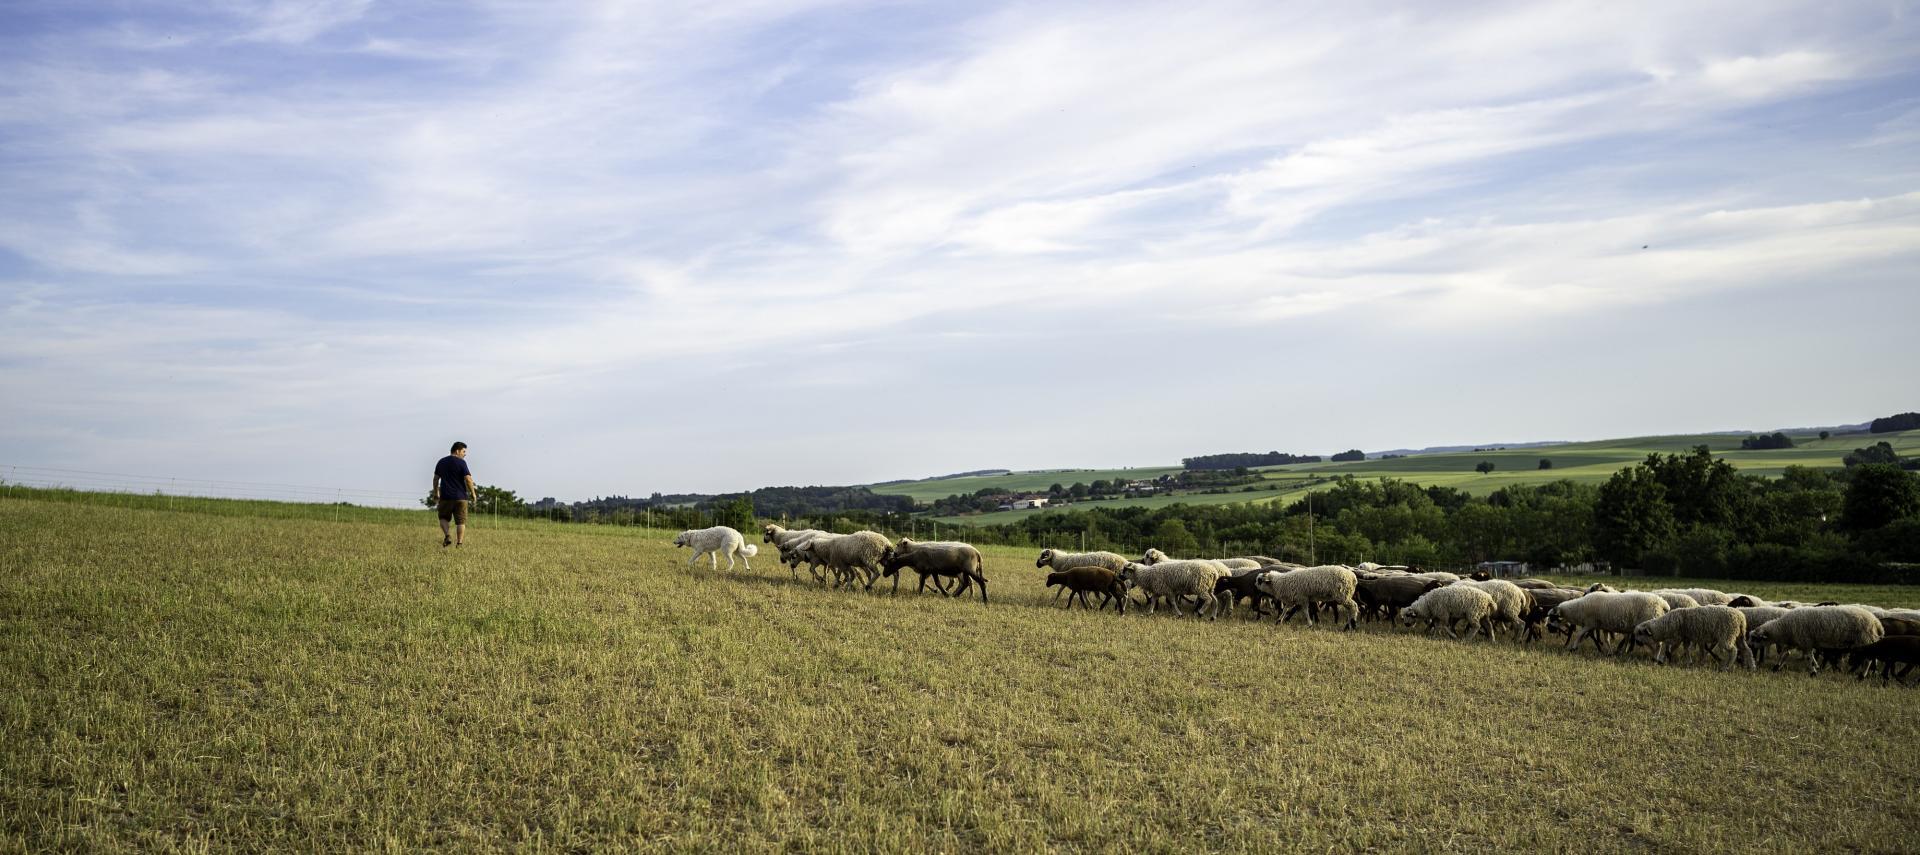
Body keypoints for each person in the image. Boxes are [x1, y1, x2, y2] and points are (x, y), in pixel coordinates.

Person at [432, 441, 476, 547]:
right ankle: (459, 543)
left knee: (443, 518)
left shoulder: (441, 462)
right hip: (461, 497)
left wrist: (436, 493)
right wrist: (473, 493)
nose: (465, 454)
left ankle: (447, 536)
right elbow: (468, 479)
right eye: (463, 451)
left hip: (446, 497)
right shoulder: (461, 462)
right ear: (457, 451)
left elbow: (435, 479)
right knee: (461, 521)